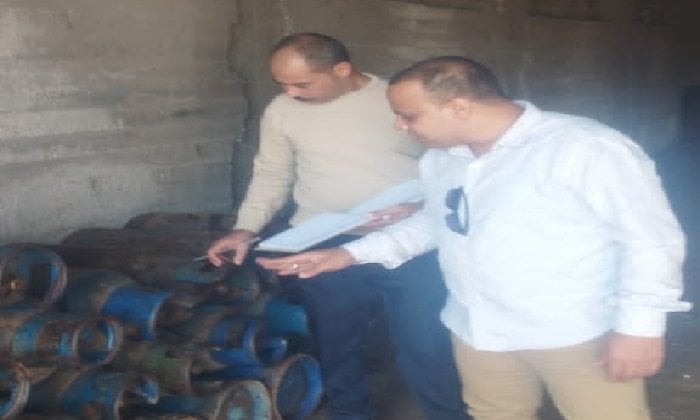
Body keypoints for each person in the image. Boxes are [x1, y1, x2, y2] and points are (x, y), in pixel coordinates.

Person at [257, 56, 692, 420]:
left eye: (409, 115)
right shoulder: (444, 160)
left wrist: (640, 328)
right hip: (478, 328)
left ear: (459, 107)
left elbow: (650, 241)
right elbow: (437, 223)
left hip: (575, 330)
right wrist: (346, 255)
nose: (399, 126)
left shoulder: (584, 147)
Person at [207, 34, 468, 420]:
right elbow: (272, 173)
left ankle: (445, 414)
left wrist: (420, 205)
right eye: (281, 83)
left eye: (301, 84)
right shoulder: (282, 110)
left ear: (342, 70)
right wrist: (245, 228)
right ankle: (350, 413)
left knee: (424, 341)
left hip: (413, 239)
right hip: (322, 241)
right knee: (337, 343)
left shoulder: (401, 102)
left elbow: (453, 166)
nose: (290, 93)